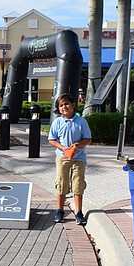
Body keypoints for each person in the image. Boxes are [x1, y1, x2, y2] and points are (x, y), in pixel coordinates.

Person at [47, 92, 92, 226]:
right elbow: (51, 139)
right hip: (62, 158)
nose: (64, 107)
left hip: (79, 159)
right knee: (62, 183)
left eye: (66, 104)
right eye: (61, 105)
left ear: (73, 105)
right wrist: (62, 148)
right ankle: (60, 210)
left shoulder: (81, 121)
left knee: (78, 185)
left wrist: (77, 145)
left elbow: (88, 139)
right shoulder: (57, 122)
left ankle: (78, 213)